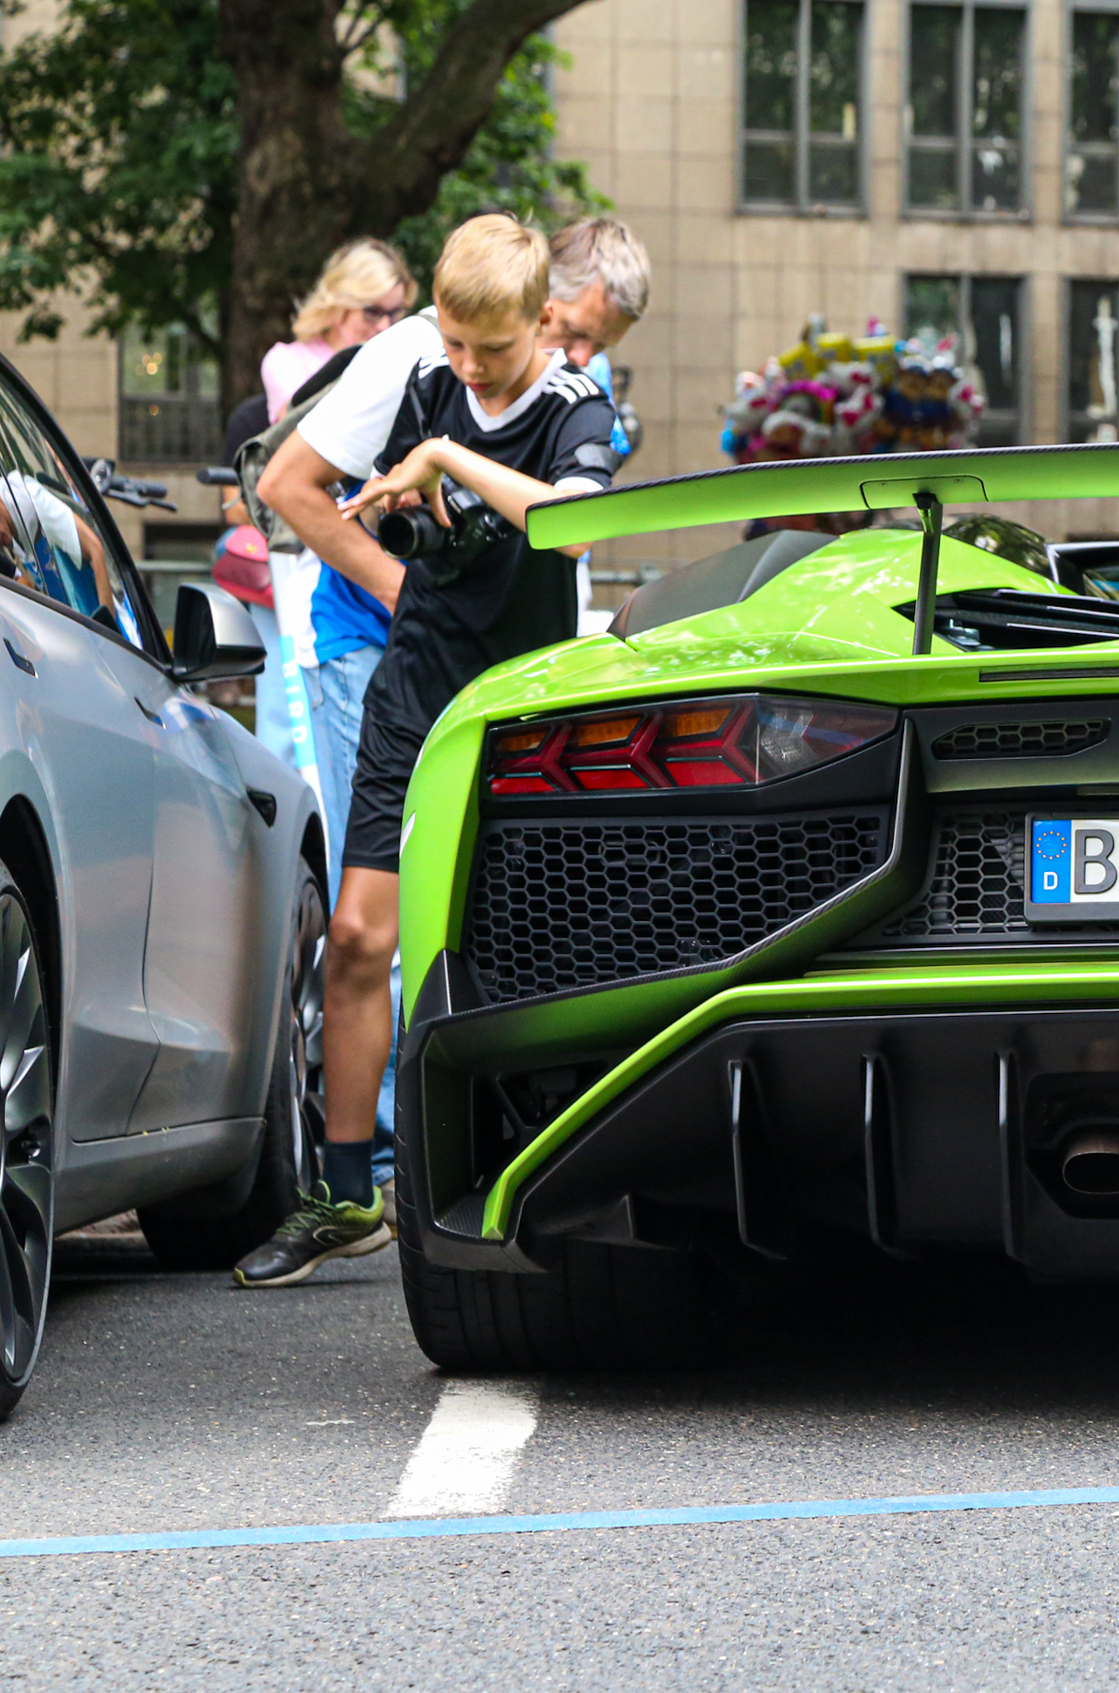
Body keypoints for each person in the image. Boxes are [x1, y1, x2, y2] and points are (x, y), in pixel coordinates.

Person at [233, 217, 622, 1288]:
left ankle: (531, 1178)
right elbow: (289, 483)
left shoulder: (576, 405)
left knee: (522, 938)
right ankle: (350, 1192)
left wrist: (446, 455)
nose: (462, 366)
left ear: (541, 323)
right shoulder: (411, 360)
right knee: (361, 936)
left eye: (486, 350)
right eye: (450, 342)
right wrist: (414, 590)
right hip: (414, 688)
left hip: (527, 701)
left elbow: (570, 528)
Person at [260, 239, 414, 427]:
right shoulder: (287, 361)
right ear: (339, 303)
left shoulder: (403, 362)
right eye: (372, 312)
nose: (385, 326)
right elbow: (291, 433)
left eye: (394, 313)